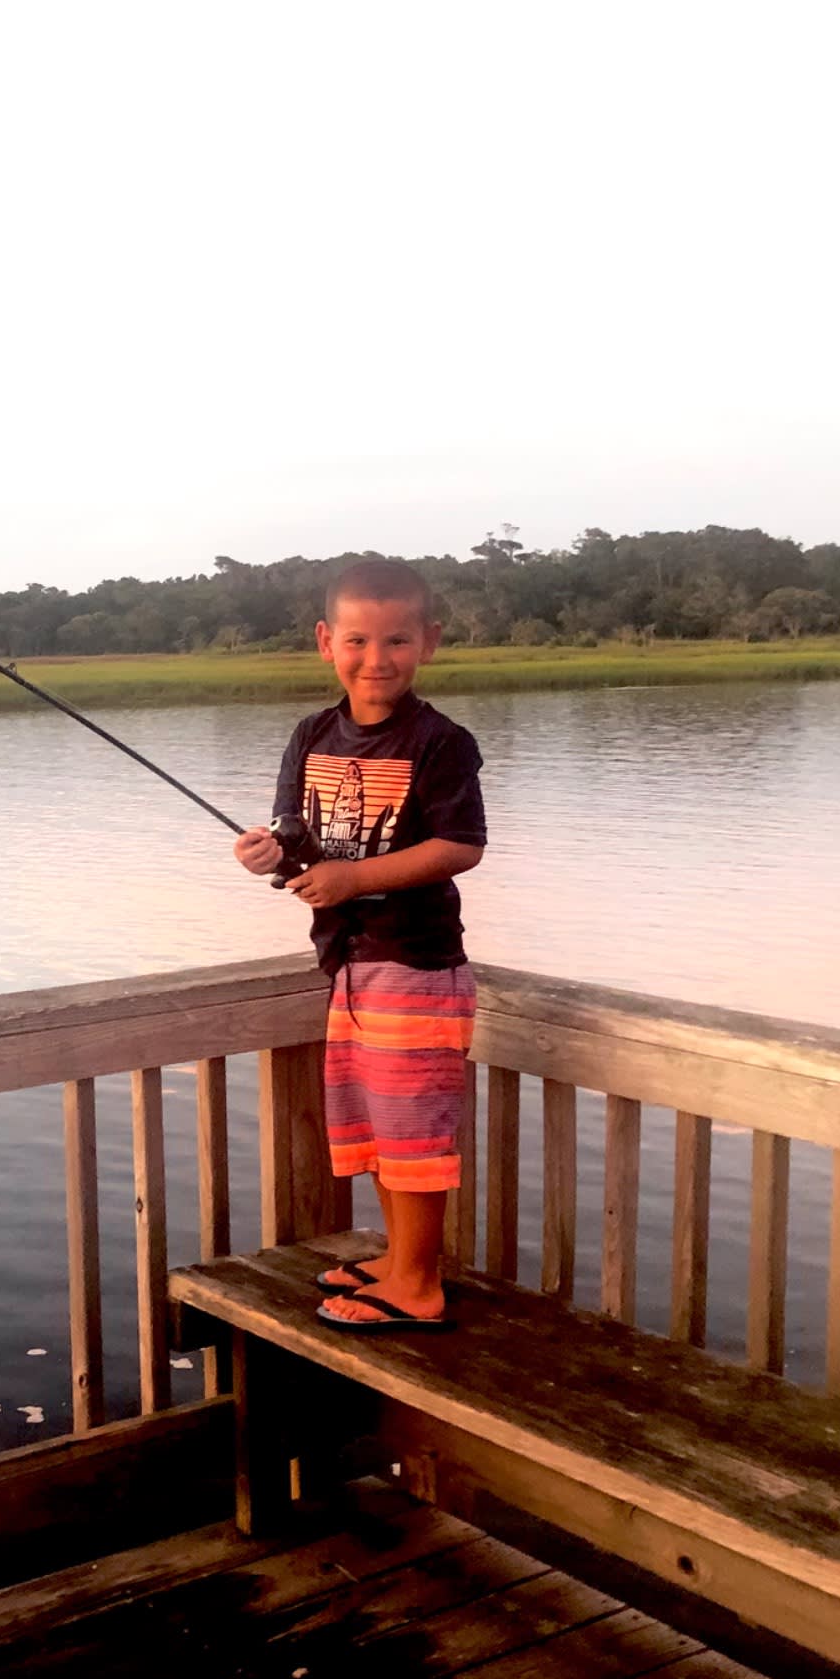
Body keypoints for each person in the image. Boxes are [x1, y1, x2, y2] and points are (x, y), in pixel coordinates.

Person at [233, 557, 487, 1330]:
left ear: (429, 642)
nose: (376, 660)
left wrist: (353, 878)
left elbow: (461, 845)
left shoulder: (440, 741)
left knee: (412, 1129)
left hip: (415, 963)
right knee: (379, 1124)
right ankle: (398, 1258)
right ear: (325, 641)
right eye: (358, 640)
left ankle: (416, 1283)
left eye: (397, 640)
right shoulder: (311, 733)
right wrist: (270, 856)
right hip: (346, 962)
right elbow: (296, 838)